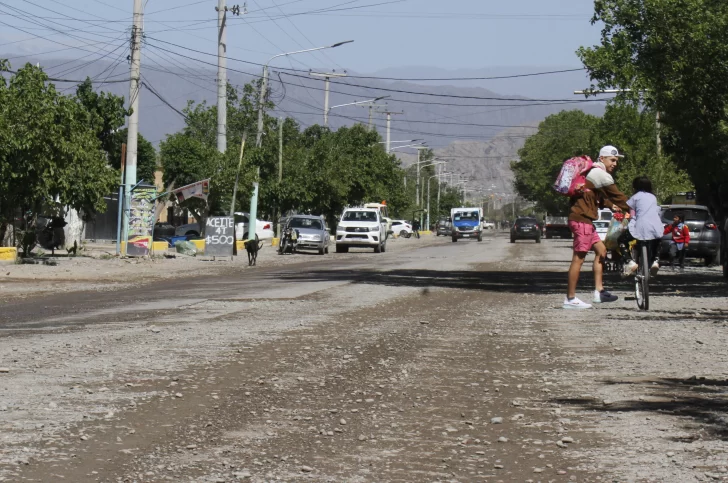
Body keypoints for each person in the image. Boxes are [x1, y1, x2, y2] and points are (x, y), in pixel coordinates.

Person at [564, 145, 631, 309]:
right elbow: (617, 195)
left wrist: (611, 206)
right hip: (582, 220)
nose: (615, 164)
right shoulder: (600, 174)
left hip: (585, 221)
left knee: (601, 251)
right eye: (612, 160)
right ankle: (570, 299)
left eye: (616, 161)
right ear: (602, 159)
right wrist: (633, 208)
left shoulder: (591, 174)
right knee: (578, 259)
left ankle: (599, 292)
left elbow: (598, 197)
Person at [618, 176, 665, 277]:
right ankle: (655, 261)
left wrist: (624, 225)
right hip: (655, 226)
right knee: (658, 240)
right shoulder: (653, 198)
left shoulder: (634, 198)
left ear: (635, 187)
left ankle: (630, 262)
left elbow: (632, 215)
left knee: (621, 240)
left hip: (640, 226)